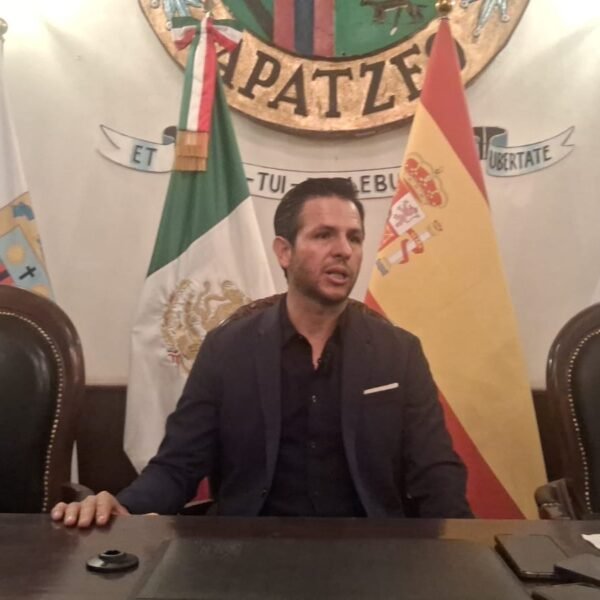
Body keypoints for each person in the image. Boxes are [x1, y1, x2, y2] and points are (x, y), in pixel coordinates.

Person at [51, 177, 471, 527]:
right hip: (248, 550)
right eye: (324, 235)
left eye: (354, 237)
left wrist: (465, 553)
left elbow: (435, 470)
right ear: (284, 252)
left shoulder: (399, 353)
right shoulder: (226, 349)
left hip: (373, 552)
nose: (344, 250)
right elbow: (179, 465)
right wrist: (123, 505)